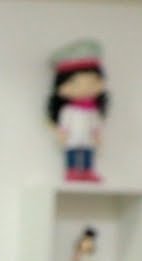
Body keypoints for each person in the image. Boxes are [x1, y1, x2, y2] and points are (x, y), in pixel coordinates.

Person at [47, 38, 108, 183]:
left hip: (87, 139)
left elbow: (95, 124)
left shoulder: (93, 110)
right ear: (63, 87)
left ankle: (87, 171)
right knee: (73, 153)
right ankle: (72, 170)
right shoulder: (68, 110)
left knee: (87, 153)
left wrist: (97, 135)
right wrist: (62, 134)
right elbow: (64, 124)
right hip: (73, 138)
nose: (86, 87)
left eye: (93, 81)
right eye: (76, 83)